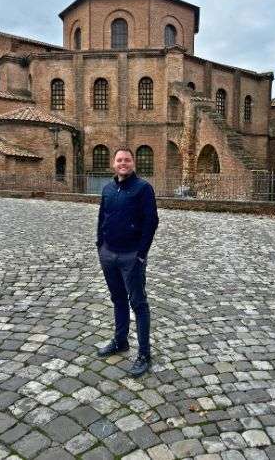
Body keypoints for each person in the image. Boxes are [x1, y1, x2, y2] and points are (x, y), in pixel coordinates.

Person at [95, 147, 159, 377]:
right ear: (114, 164)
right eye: (119, 160)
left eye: (127, 160)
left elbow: (151, 222)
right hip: (109, 254)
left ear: (133, 163)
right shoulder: (108, 189)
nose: (123, 163)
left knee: (139, 304)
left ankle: (144, 354)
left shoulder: (143, 189)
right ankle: (120, 341)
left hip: (132, 256)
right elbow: (102, 217)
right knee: (118, 299)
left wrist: (141, 254)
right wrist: (99, 245)